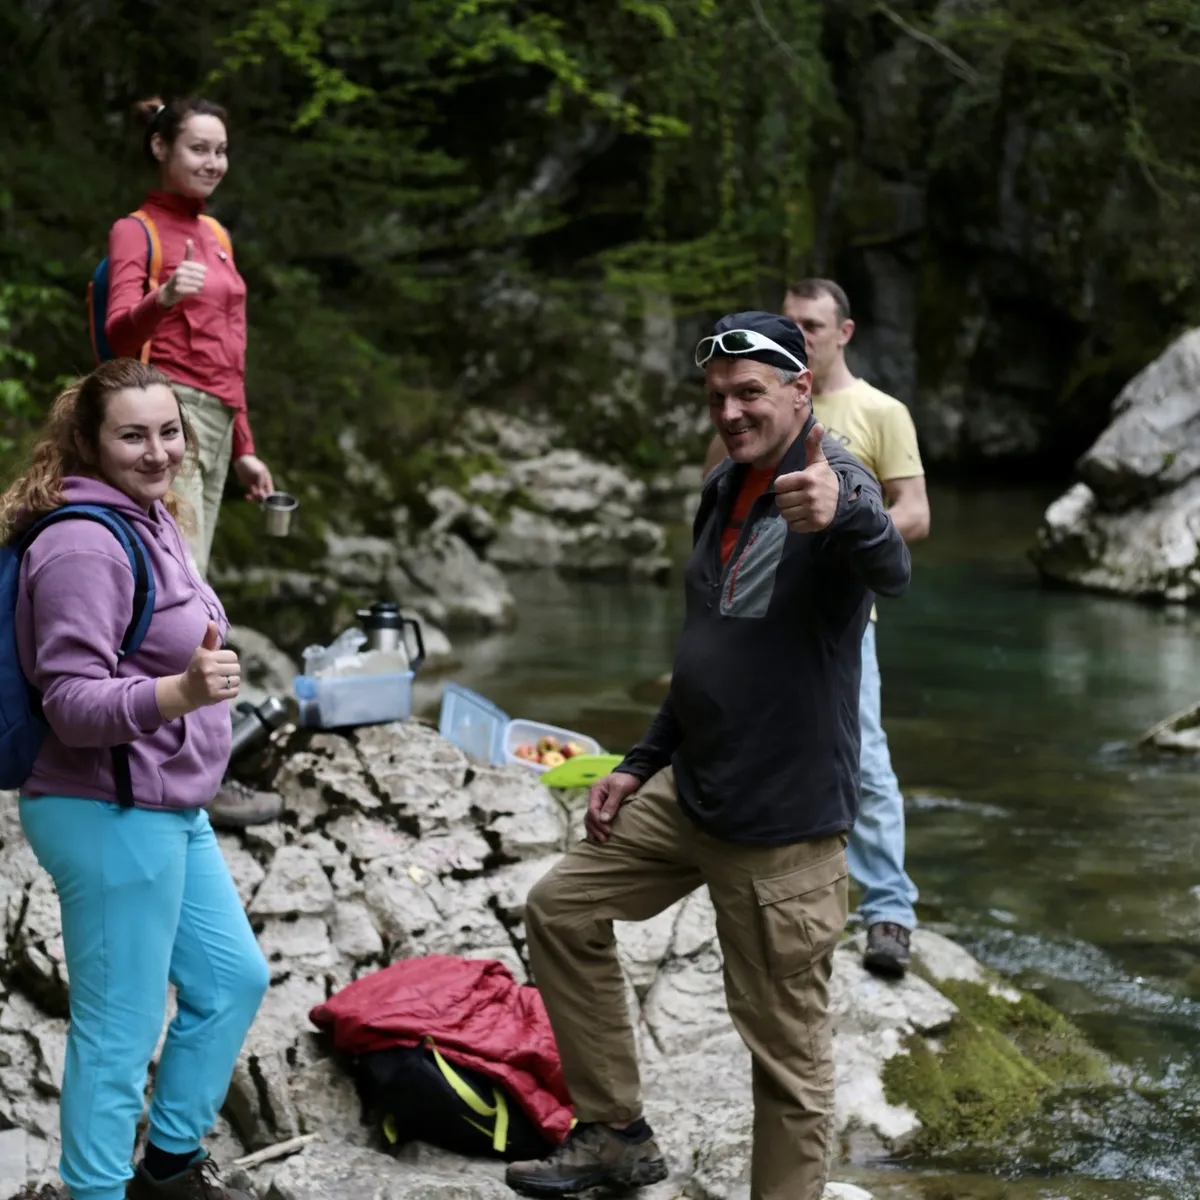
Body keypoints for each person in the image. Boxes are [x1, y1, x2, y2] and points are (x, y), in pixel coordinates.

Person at [506, 313, 910, 1200]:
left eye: (751, 393)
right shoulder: (727, 483)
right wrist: (639, 761)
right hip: (690, 791)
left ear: (801, 388)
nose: (731, 411)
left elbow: (892, 568)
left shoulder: (829, 479)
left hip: (782, 831)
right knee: (560, 908)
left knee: (789, 1069)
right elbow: (708, 648)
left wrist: (847, 518)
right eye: (719, 397)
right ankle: (614, 1130)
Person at [0, 358, 269, 1200]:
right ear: (87, 441)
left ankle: (170, 1169)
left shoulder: (150, 517)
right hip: (102, 809)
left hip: (162, 801)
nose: (157, 451)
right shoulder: (82, 542)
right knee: (117, 1032)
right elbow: (73, 701)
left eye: (169, 431)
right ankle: (94, 1192)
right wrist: (184, 691)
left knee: (231, 980)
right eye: (132, 435)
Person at [702, 279, 929, 978]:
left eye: (814, 324)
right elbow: (718, 491)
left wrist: (845, 522)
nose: (804, 331)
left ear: (843, 332)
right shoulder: (747, 400)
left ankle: (888, 905)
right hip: (752, 621)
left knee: (864, 756)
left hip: (839, 621)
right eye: (793, 322)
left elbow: (914, 515)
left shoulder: (878, 413)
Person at [103, 95, 273, 581]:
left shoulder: (216, 235)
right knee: (182, 573)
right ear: (160, 147)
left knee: (192, 572)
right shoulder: (136, 230)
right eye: (199, 149)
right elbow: (117, 336)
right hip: (170, 417)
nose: (214, 163)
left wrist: (244, 448)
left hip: (218, 423)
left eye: (221, 151)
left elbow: (229, 349)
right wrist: (165, 297)